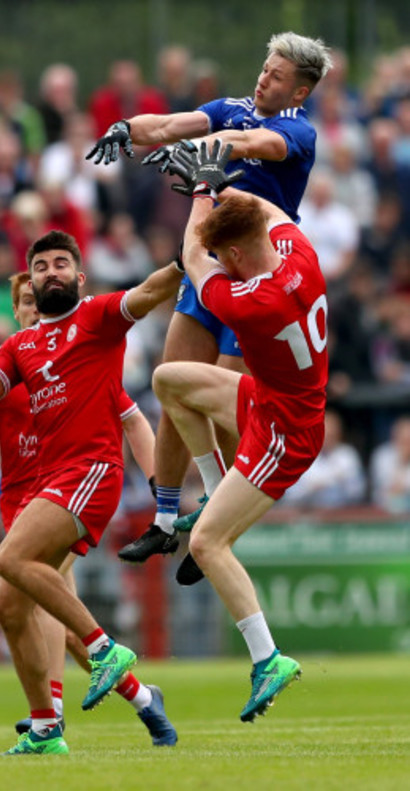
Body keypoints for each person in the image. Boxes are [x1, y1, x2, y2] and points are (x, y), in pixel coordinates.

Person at [86, 32, 333, 568]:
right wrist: (128, 130)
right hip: (207, 263)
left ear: (300, 91)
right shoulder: (231, 108)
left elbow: (252, 146)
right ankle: (165, 520)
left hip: (256, 281)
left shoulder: (297, 130)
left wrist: (201, 151)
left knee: (225, 398)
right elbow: (170, 126)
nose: (264, 77)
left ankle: (216, 513)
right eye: (265, 67)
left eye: (277, 75)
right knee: (175, 380)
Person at [0, 229, 183, 754]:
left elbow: (146, 293)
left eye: (60, 264)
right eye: (40, 269)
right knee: (10, 606)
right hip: (34, 495)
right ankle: (56, 724)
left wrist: (186, 257)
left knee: (19, 571)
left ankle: (105, 652)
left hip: (87, 475)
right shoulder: (17, 349)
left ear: (79, 275)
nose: (49, 275)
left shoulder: (96, 318)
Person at [152, 140, 327, 721]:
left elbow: (193, 257)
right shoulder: (294, 252)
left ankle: (268, 657)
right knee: (170, 380)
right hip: (272, 398)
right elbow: (271, 213)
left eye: (225, 255)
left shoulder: (253, 299)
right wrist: (223, 188)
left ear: (235, 254)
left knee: (207, 544)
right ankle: (212, 482)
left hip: (286, 434)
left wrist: (202, 192)